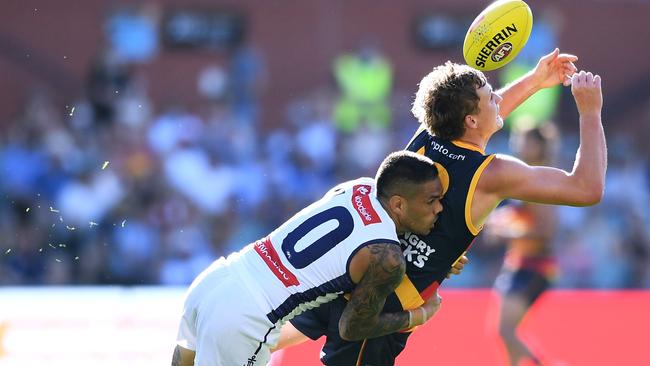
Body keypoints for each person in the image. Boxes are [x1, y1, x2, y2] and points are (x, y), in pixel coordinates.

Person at [277, 48, 607, 365]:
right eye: (490, 94)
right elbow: (586, 188)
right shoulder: (491, 174)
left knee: (267, 339)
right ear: (471, 120)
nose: (498, 98)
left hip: (348, 267)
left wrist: (536, 80)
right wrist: (590, 111)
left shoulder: (427, 135)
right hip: (381, 305)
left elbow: (476, 119)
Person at [172, 151, 447, 366]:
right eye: (431, 200)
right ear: (398, 204)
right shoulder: (388, 259)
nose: (439, 208)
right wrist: (418, 315)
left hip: (216, 279)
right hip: (246, 317)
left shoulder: (358, 187)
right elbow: (353, 327)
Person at [486, 123, 560, 365]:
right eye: (519, 139)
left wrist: (506, 233)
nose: (520, 145)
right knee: (506, 334)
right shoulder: (525, 176)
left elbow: (545, 230)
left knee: (504, 332)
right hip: (518, 265)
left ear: (541, 146)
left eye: (527, 140)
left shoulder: (541, 179)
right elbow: (522, 215)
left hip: (534, 266)